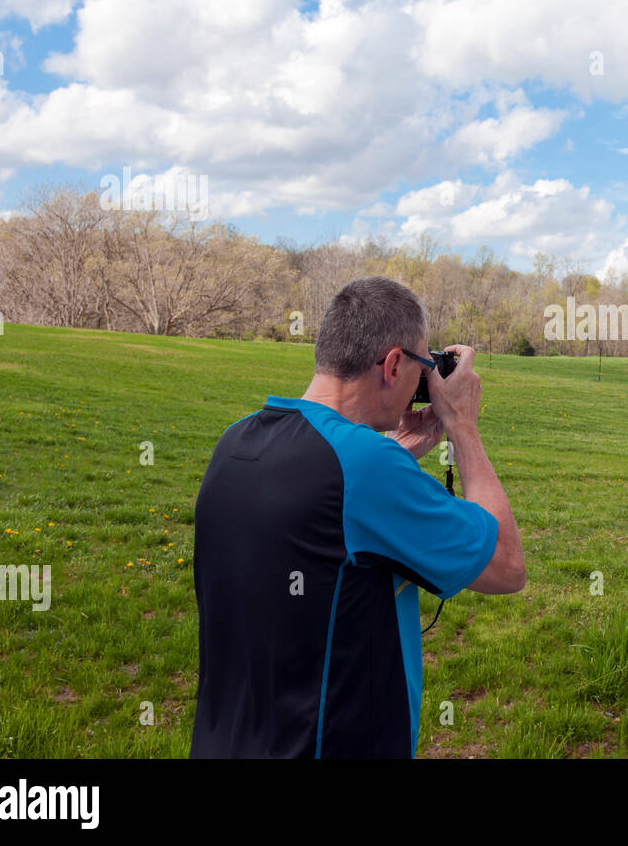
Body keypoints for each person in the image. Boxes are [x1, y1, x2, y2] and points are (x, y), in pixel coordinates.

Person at [190, 276, 523, 758]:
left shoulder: (235, 442)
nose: (424, 383)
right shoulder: (365, 468)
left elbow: (323, 514)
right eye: (425, 367)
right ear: (392, 364)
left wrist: (397, 456)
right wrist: (463, 429)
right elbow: (507, 566)